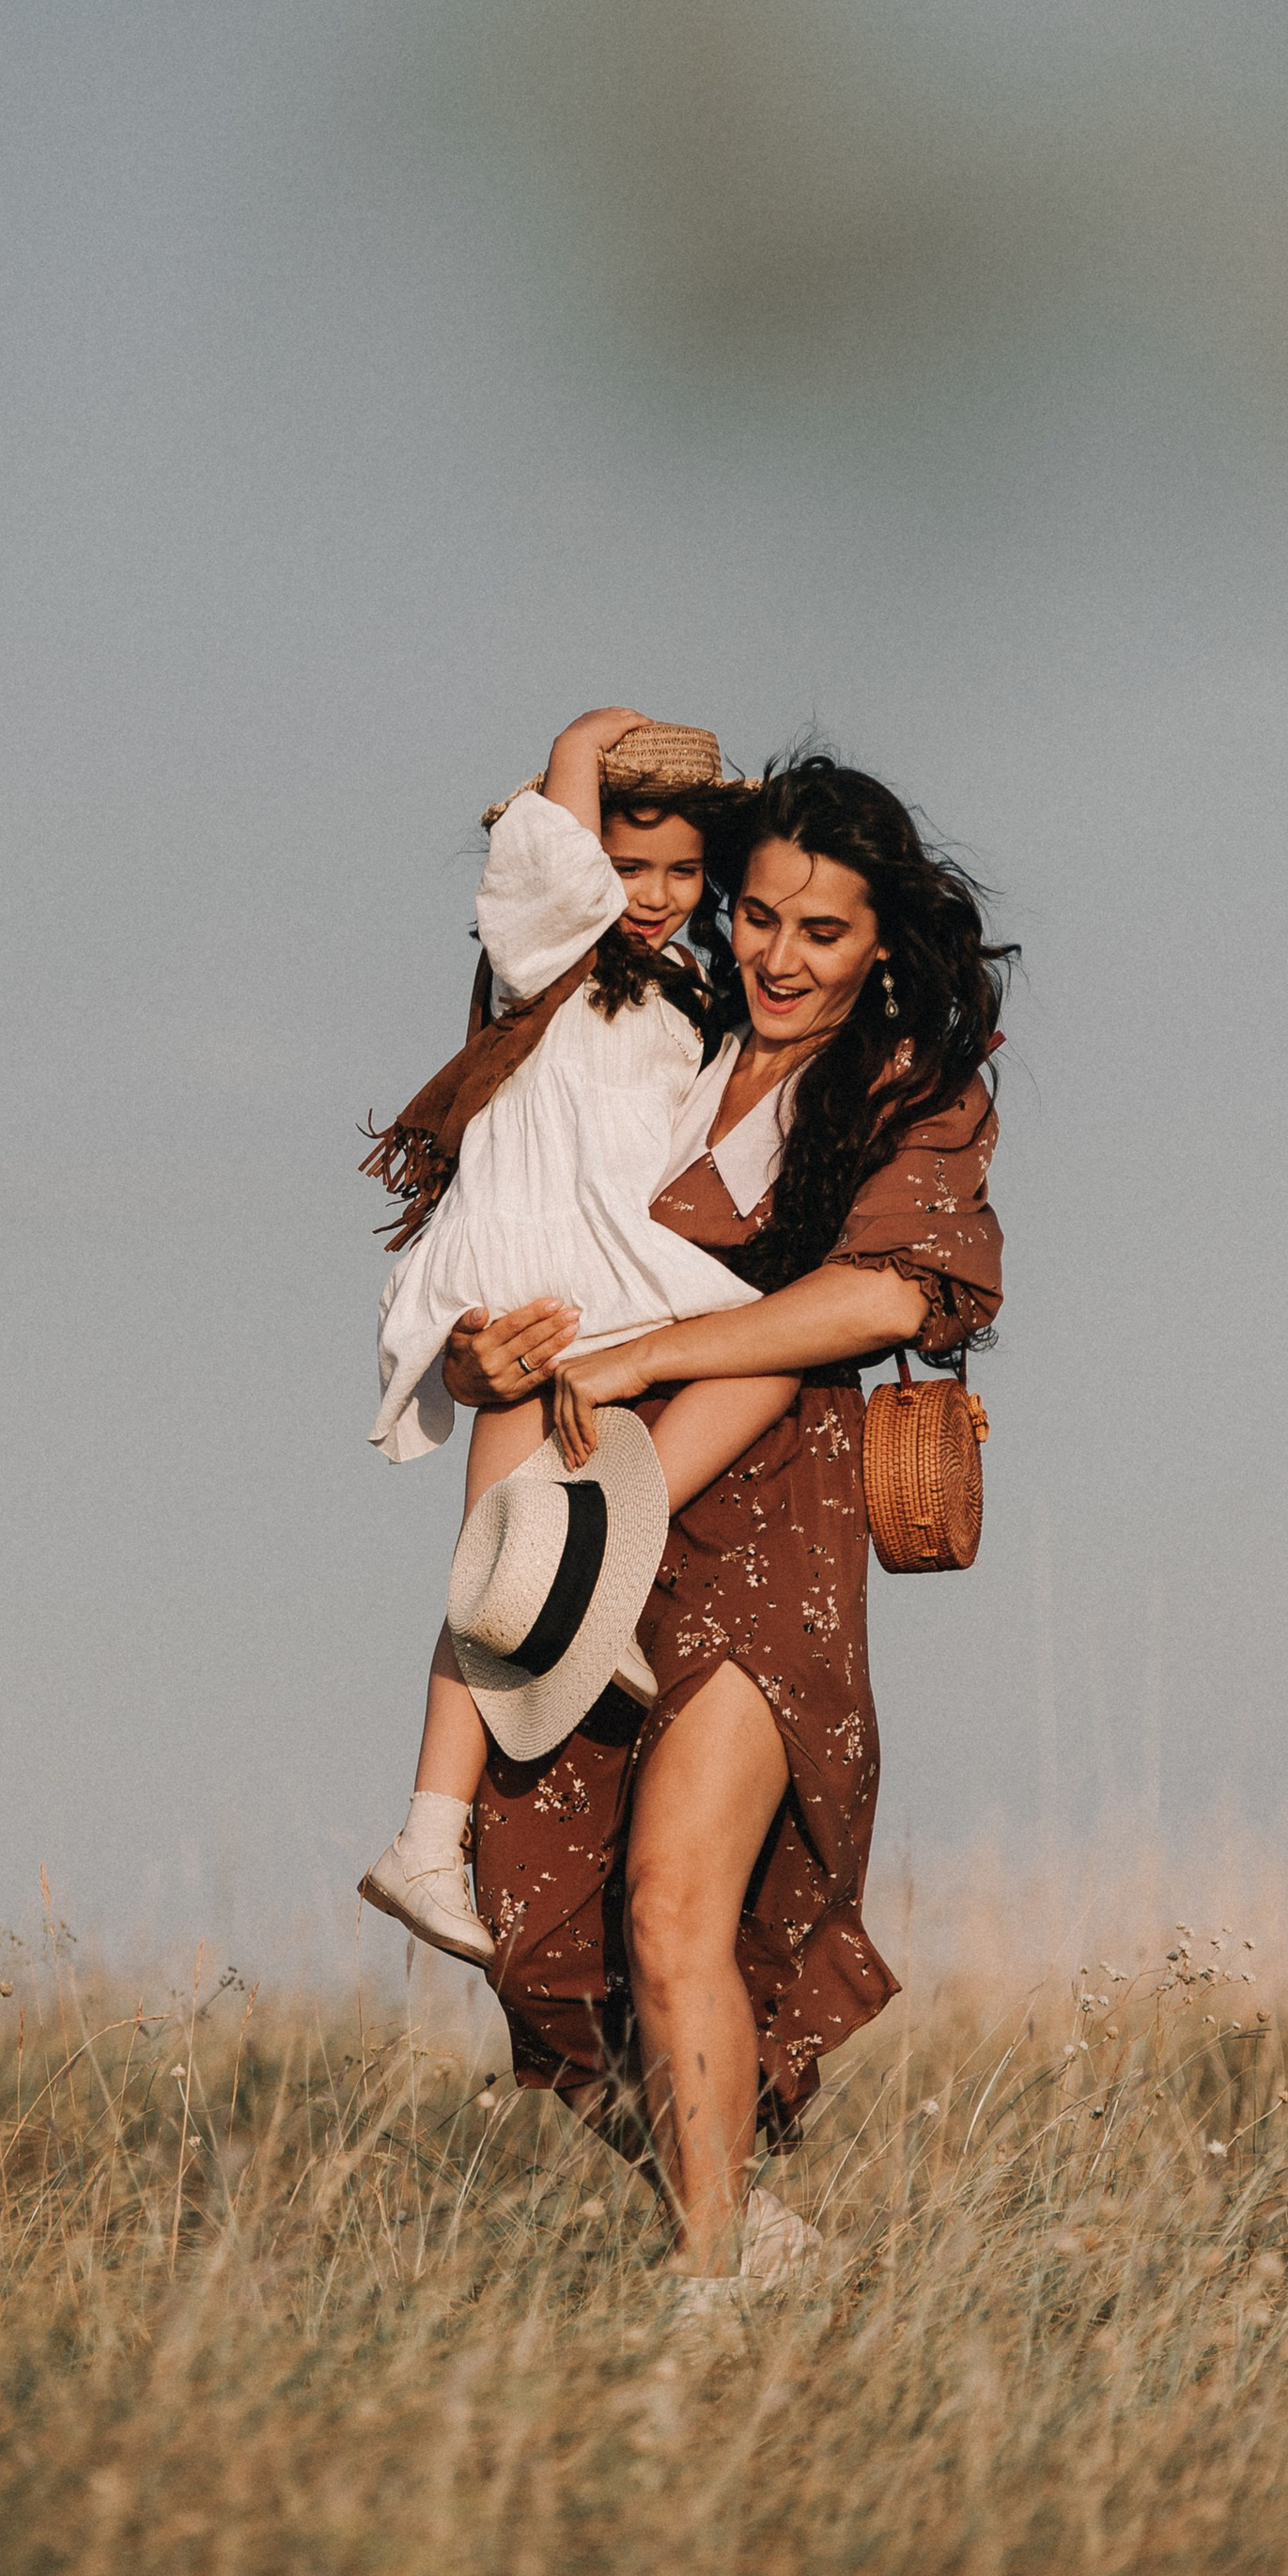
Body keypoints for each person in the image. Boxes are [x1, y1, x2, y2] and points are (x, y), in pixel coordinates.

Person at [441, 753, 1010, 2292]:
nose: (776, 955)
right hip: (604, 1515)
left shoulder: (904, 1081)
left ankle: (707, 2291)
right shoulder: (667, 1040)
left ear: (882, 939)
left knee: (675, 1895)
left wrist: (654, 1351)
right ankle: (746, 2227)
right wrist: (494, 1351)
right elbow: (524, 1212)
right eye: (757, 917)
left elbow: (896, 1287)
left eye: (821, 932)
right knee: (549, 1913)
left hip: (774, 1533)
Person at [358, 710, 798, 1964]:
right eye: (627, 862)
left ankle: (429, 1833)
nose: (652, 895)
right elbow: (554, 850)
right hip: (556, 1266)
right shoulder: (548, 950)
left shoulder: (690, 990)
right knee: (759, 1352)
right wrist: (592, 735)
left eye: (679, 870)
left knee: (498, 1564)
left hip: (599, 1271)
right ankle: (582, 1608)